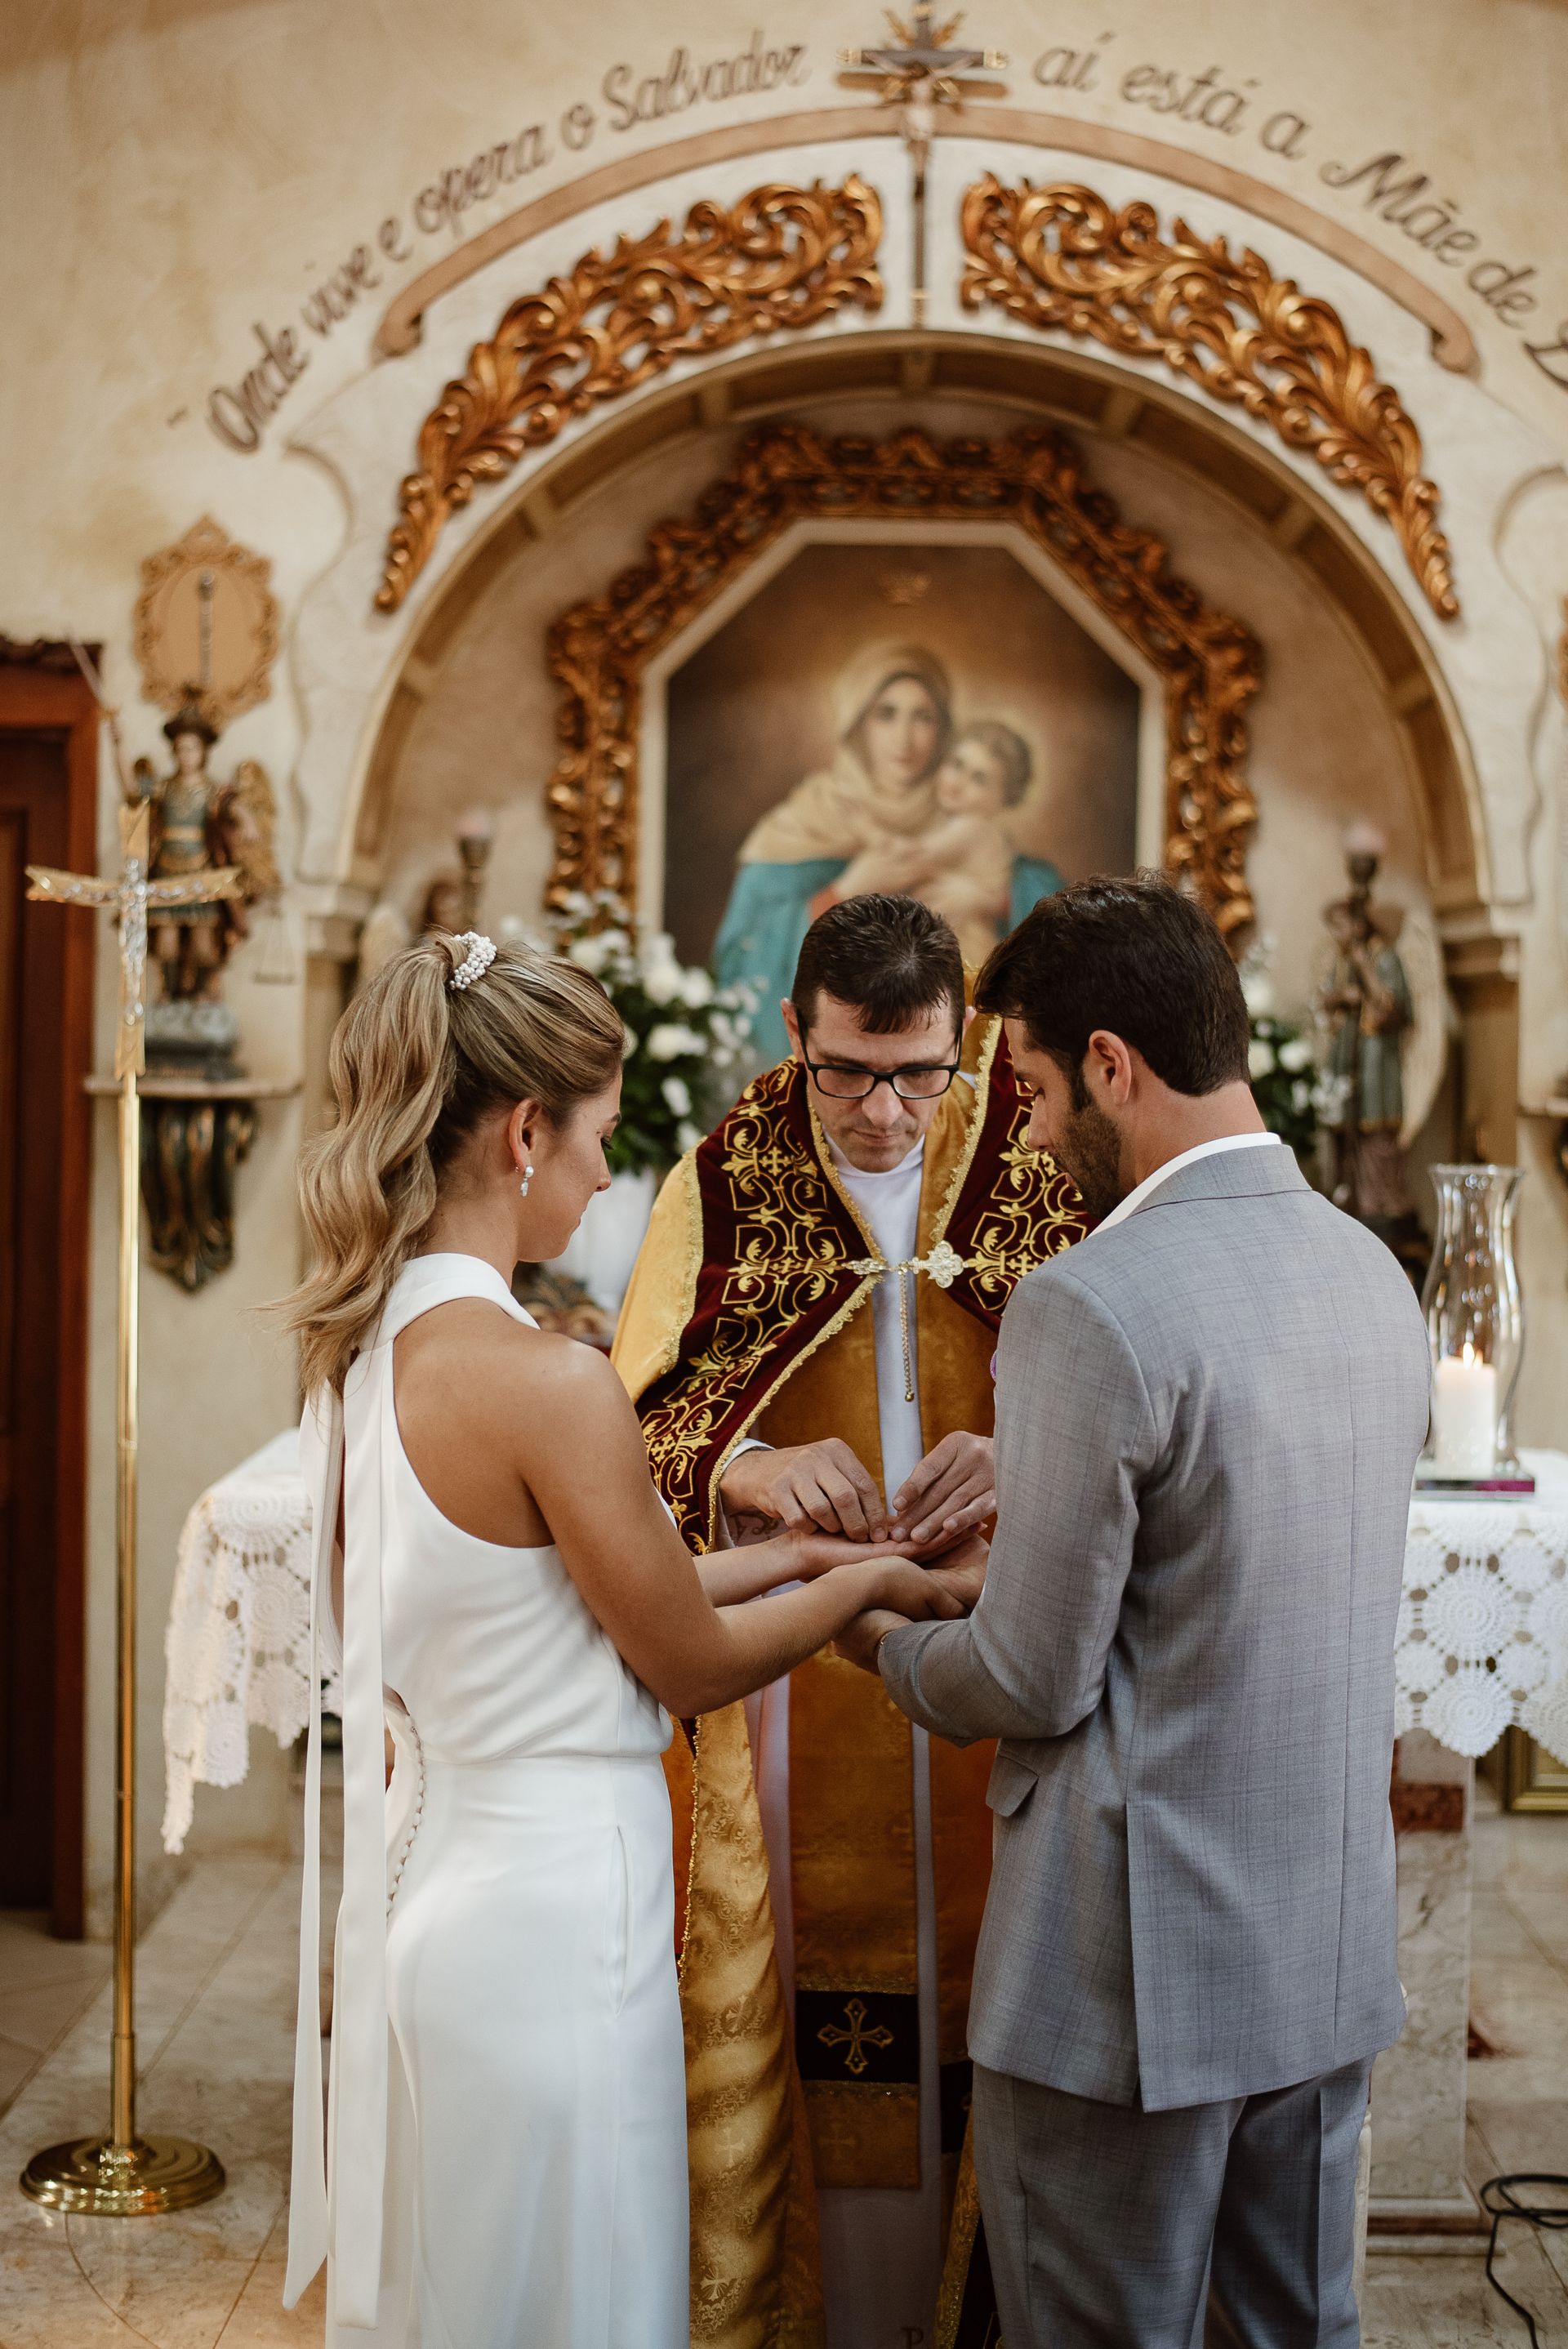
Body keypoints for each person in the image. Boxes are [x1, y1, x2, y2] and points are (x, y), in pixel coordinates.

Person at [279, 929, 970, 2348]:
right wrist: (871, 1596)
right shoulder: (550, 1383)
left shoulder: (363, 1351)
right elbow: (688, 1662)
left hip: (437, 1894)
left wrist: (815, 1553)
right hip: (556, 1931)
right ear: (524, 1134)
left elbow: (587, 1595)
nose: (606, 1176)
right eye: (597, 1137)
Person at [841, 873, 1432, 2348]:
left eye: (1037, 1090)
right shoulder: (1373, 1273)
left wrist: (876, 1633)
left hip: (1129, 1992)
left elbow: (1032, 1681)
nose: (1034, 1134)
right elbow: (1221, 1576)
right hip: (1318, 1956)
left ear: (1112, 1064)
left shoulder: (1093, 1301)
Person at [615, 895, 1085, 2348]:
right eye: (847, 1073)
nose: (885, 1113)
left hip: (1001, 1640)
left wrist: (1031, 1453)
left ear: (965, 1038)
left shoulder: (1042, 1152)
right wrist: (747, 1463)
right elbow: (635, 1416)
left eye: (920, 1073)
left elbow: (1143, 1381)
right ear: (793, 1033)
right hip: (798, 1676)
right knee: (823, 2006)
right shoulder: (727, 1174)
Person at [714, 643, 951, 1061]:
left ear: (943, 729)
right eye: (886, 714)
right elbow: (739, 963)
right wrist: (844, 892)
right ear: (858, 725)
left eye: (923, 717)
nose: (905, 738)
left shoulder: (963, 819)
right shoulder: (804, 822)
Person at [900, 719, 1062, 965]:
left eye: (979, 779)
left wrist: (866, 831)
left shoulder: (973, 829)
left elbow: (907, 857)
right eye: (956, 764)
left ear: (1003, 798)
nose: (957, 784)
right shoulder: (947, 826)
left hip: (969, 955)